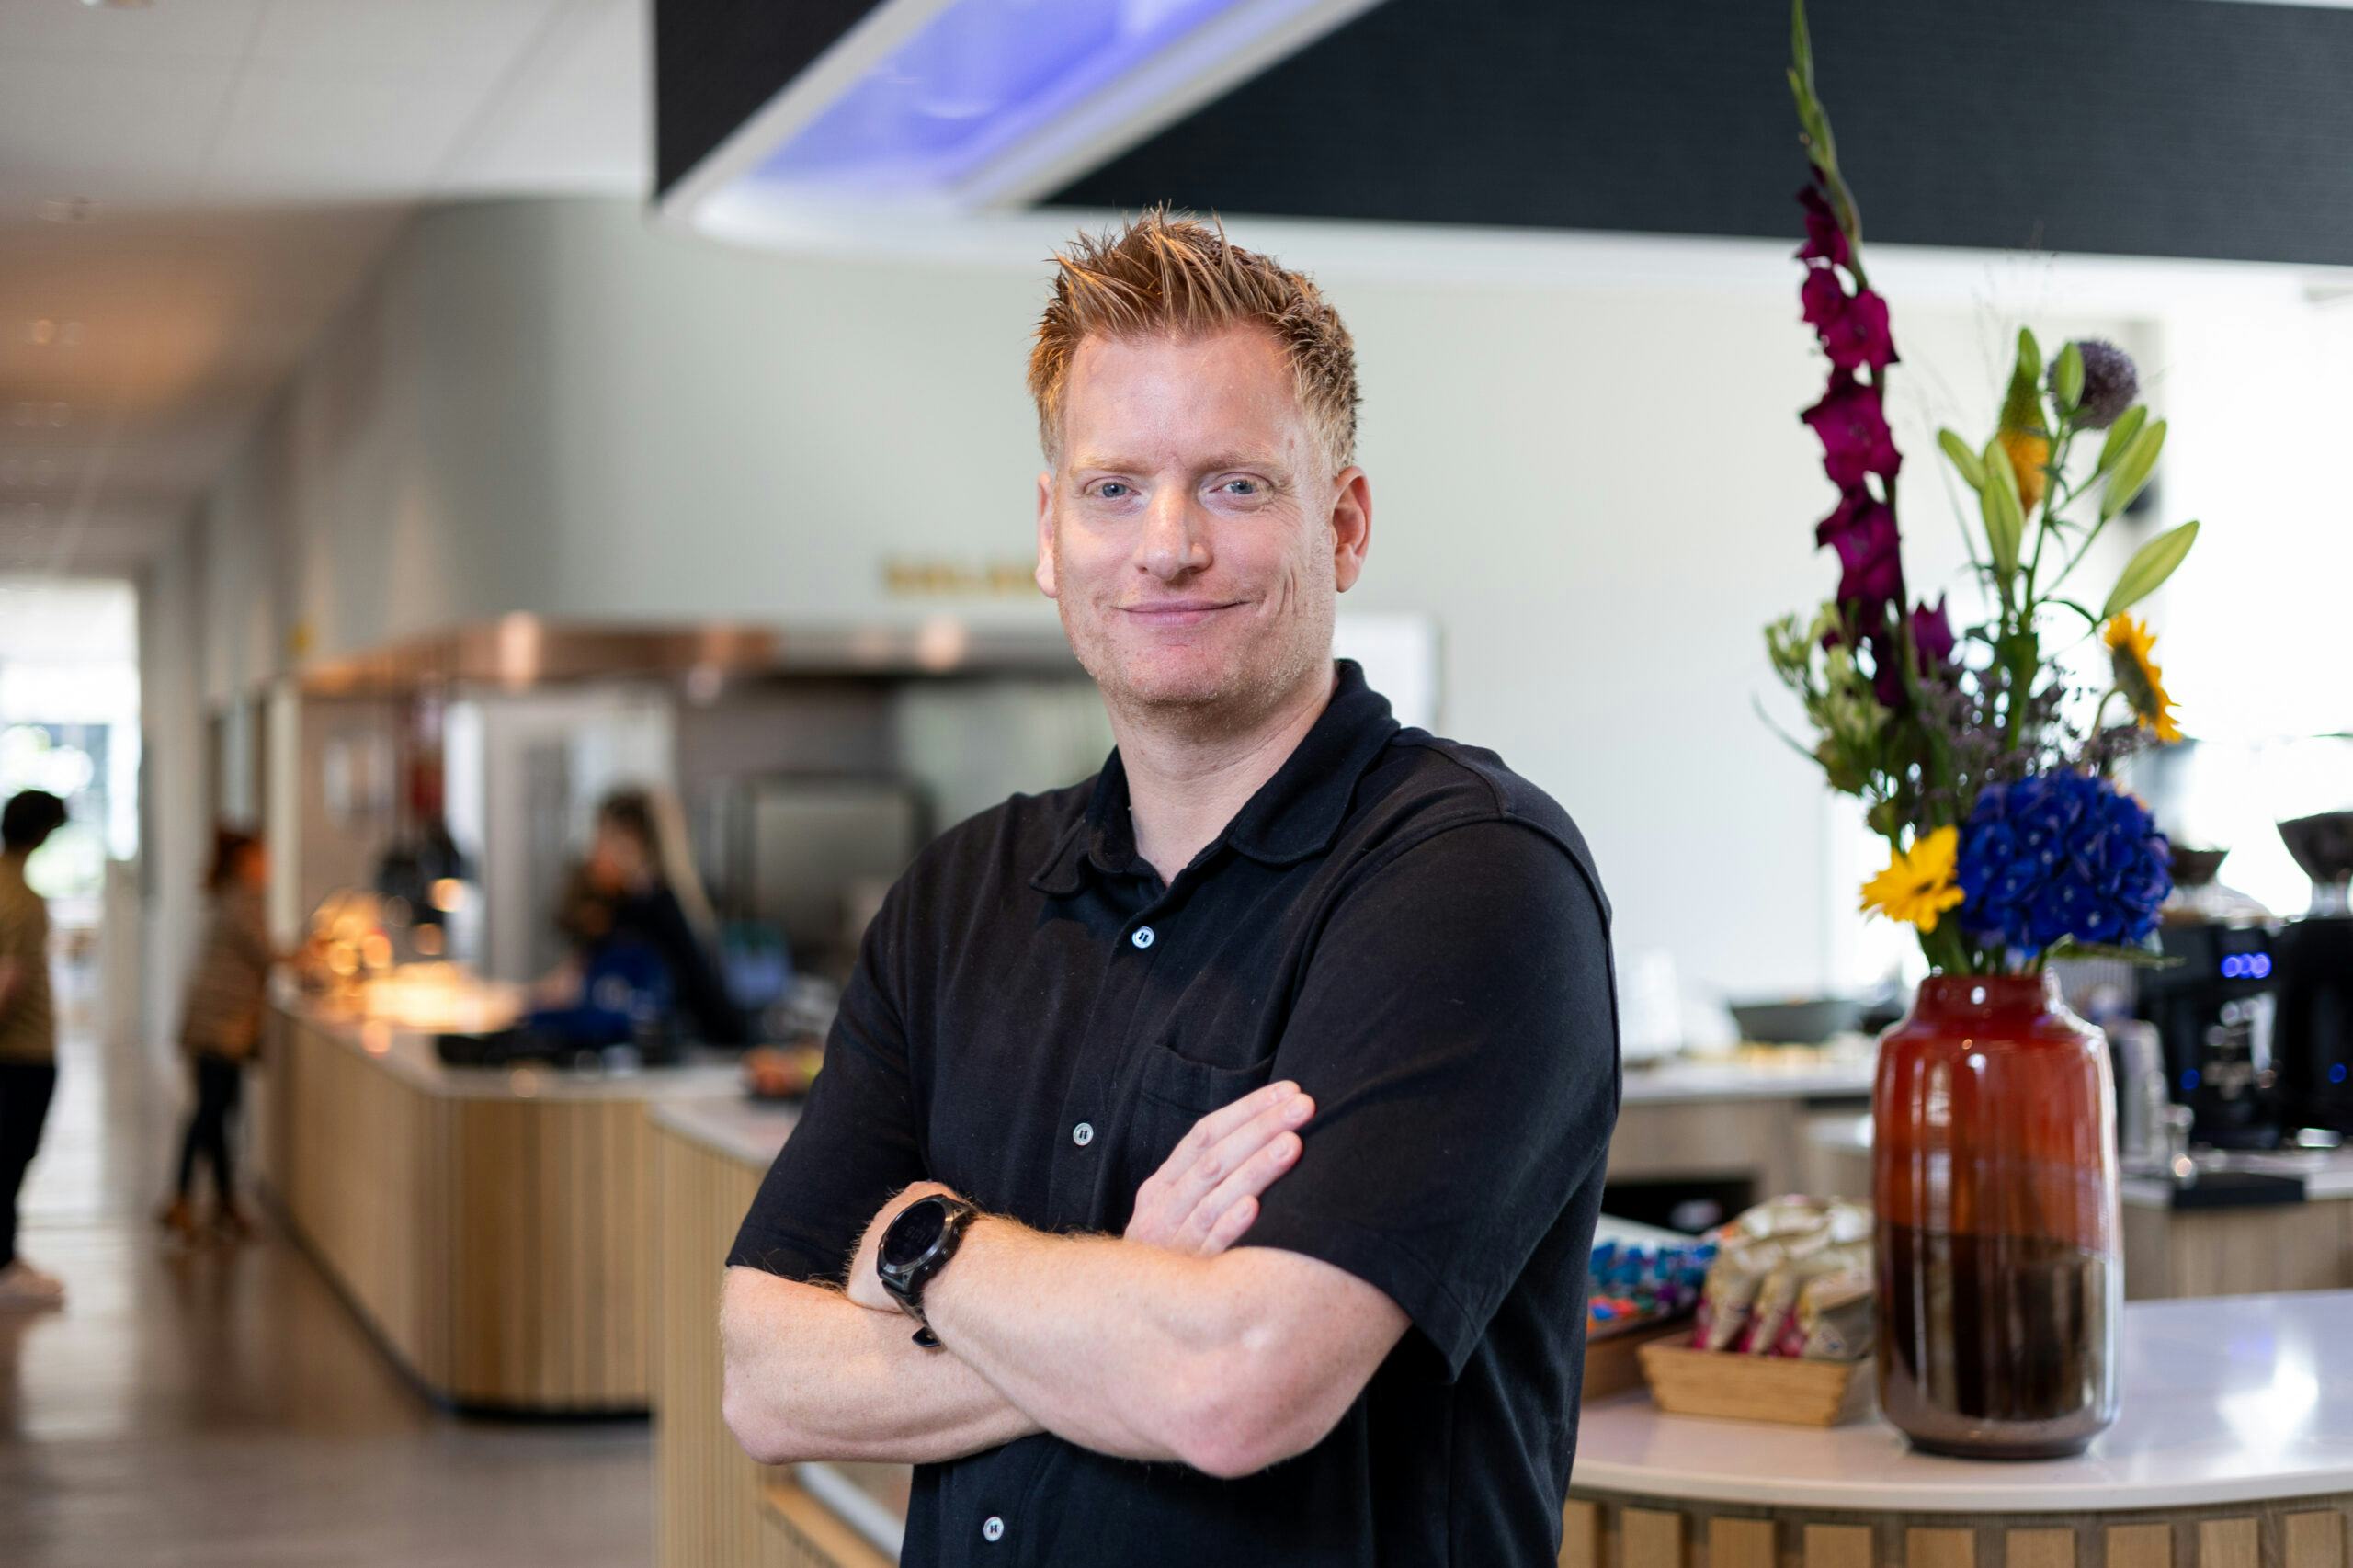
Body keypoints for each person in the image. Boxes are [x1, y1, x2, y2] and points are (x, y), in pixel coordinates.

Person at [720, 211, 1620, 1566]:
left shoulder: (1473, 881)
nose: (1169, 543)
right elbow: (765, 1374)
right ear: (1050, 530)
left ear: (1346, 522)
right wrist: (1124, 1289)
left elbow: (1235, 1384)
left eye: (1237, 486)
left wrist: (924, 1243)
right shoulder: (958, 896)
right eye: (1114, 487)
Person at [548, 789, 745, 1046]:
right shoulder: (636, 907)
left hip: (687, 1060)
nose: (595, 851)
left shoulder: (654, 910)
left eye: (603, 837)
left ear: (630, 842)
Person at [159, 828, 276, 1241]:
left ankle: (225, 1201)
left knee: (221, 1110)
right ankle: (180, 1197)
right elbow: (269, 955)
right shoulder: (243, 900)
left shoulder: (233, 896)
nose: (269, 865)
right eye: (264, 857)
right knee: (210, 1112)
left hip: (217, 1025)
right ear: (247, 861)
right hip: (220, 1027)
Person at [0, 789, 70, 1308]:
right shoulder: (21, 899)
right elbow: (8, 980)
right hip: (22, 1052)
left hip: (19, 1051)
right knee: (11, 1156)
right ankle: (4, 1263)